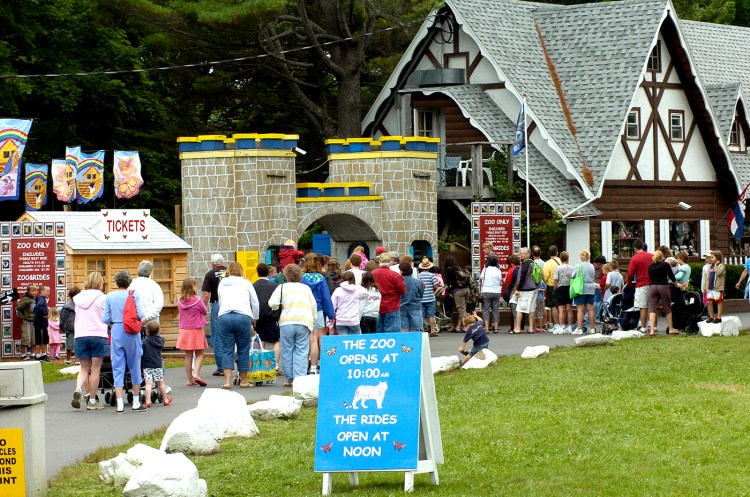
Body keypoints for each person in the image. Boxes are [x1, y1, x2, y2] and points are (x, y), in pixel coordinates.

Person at [103, 270, 146, 413]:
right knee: (135, 365)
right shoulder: (134, 295)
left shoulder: (109, 296)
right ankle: (135, 401)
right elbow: (140, 314)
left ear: (116, 282)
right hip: (132, 331)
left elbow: (105, 319)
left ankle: (120, 403)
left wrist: (113, 324)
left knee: (118, 366)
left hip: (116, 330)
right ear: (129, 282)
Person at [268, 264, 317, 387]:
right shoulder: (306, 288)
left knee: (287, 350)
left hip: (286, 321)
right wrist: (313, 321)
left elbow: (272, 303)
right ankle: (299, 379)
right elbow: (313, 306)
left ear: (286, 275)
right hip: (303, 321)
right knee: (301, 350)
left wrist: (278, 307)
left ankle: (290, 378)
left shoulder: (282, 288)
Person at [217, 261, 259, 389]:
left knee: (226, 350)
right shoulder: (245, 283)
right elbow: (255, 302)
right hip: (243, 316)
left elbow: (220, 301)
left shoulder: (222, 283)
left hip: (224, 316)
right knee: (243, 349)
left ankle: (227, 382)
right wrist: (255, 317)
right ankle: (244, 381)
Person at [72, 272, 109, 410]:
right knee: (95, 369)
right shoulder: (103, 298)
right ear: (100, 283)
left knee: (84, 368)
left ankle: (78, 389)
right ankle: (92, 401)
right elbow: (107, 317)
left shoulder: (78, 298)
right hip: (98, 334)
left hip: (80, 334)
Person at [301, 255, 334, 374]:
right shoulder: (320, 278)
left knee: (308, 340)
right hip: (318, 310)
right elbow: (326, 297)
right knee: (319, 339)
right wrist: (331, 314)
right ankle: (319, 366)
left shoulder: (301, 278)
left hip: (304, 310)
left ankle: (308, 366)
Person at [177, 276, 209, 387]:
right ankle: (196, 373)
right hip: (196, 330)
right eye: (195, 285)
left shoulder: (180, 300)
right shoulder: (197, 300)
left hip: (184, 330)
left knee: (188, 355)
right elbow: (204, 311)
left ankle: (189, 380)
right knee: (200, 353)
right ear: (192, 286)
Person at [202, 253, 227, 376]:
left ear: (212, 263)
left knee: (217, 336)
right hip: (231, 304)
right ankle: (236, 364)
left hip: (217, 305)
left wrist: (203, 310)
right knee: (231, 335)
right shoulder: (230, 272)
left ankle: (221, 367)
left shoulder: (210, 274)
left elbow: (206, 295)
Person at [253, 263, 281, 370]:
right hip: (272, 316)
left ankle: (260, 364)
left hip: (258, 316)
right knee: (276, 341)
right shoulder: (275, 286)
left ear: (257, 272)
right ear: (268, 273)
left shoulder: (253, 286)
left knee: (261, 340)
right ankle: (275, 365)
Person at [372, 253, 406, 333]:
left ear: (379, 262)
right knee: (392, 333)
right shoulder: (395, 275)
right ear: (390, 262)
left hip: (376, 305)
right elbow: (402, 291)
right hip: (392, 305)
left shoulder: (372, 274)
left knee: (379, 332)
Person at [142, 320, 173, 407]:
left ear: (147, 331)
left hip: (147, 365)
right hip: (157, 365)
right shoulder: (161, 341)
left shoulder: (145, 342)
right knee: (160, 383)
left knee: (148, 383)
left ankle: (148, 401)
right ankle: (165, 399)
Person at [648, 250, 678, 335]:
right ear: (662, 257)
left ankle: (652, 330)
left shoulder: (650, 266)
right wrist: (676, 285)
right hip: (663, 286)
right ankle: (671, 328)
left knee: (652, 309)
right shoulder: (665, 265)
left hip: (652, 286)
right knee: (667, 307)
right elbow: (671, 276)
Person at [627, 239, 652, 331]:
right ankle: (653, 326)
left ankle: (644, 327)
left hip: (642, 283)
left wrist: (629, 283)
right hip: (653, 283)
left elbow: (630, 273)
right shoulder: (651, 256)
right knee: (652, 306)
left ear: (635, 248)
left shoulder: (635, 258)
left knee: (643, 306)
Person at [129, 260, 164, 327]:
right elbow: (158, 305)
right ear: (150, 272)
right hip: (152, 323)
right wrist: (147, 317)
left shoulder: (131, 284)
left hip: (134, 321)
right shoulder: (155, 285)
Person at [512, 247, 538, 334]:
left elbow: (523, 276)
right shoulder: (532, 262)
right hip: (533, 288)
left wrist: (518, 289)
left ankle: (518, 328)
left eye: (523, 253)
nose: (521, 255)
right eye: (520, 253)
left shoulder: (526, 263)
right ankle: (531, 328)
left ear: (528, 254)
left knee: (520, 308)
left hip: (525, 289)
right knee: (531, 309)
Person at [442, 254, 470, 332]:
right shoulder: (458, 268)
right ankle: (458, 326)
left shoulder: (448, 270)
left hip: (458, 291)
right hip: (467, 289)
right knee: (463, 309)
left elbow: (448, 282)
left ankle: (467, 327)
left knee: (461, 309)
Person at [573, 250, 596, 335]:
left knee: (580, 309)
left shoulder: (578, 266)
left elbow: (573, 275)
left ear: (581, 257)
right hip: (591, 288)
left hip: (581, 288)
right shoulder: (592, 266)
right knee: (590, 308)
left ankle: (579, 328)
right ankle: (592, 328)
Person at [479, 254, 503, 334]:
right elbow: (500, 279)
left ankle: (486, 328)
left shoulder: (485, 269)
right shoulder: (498, 270)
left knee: (486, 309)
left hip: (486, 290)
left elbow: (481, 277)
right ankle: (496, 328)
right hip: (496, 291)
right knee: (495, 310)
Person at [553, 251, 575, 334]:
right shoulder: (572, 268)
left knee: (561, 309)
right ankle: (569, 326)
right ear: (568, 258)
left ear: (560, 258)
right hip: (569, 288)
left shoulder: (558, 268)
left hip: (560, 288)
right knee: (569, 308)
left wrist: (555, 289)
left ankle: (561, 326)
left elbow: (555, 280)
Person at [399, 261, 424, 332]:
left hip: (402, 307)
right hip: (415, 307)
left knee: (403, 330)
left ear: (401, 271)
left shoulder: (399, 281)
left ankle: (404, 343)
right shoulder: (417, 281)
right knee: (415, 330)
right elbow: (421, 294)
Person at [417, 258, 438, 336]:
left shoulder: (418, 276)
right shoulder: (431, 275)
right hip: (430, 298)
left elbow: (418, 285)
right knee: (431, 315)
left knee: (421, 315)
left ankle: (422, 330)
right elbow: (435, 285)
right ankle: (432, 331)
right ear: (429, 267)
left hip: (421, 298)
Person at [15, 284, 37, 360]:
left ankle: (33, 353)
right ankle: (23, 354)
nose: (34, 292)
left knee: (34, 338)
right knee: (26, 337)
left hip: (33, 321)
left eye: (36, 290)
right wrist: (22, 318)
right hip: (26, 321)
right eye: (32, 291)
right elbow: (17, 308)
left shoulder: (34, 299)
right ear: (28, 291)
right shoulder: (25, 299)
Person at [703, 250, 726, 323]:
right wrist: (705, 287)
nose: (711, 259)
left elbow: (719, 273)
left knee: (719, 301)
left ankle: (718, 317)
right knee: (709, 301)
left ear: (717, 257)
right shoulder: (710, 266)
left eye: (712, 257)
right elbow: (707, 277)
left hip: (717, 287)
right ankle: (711, 316)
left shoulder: (722, 266)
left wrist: (716, 266)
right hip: (710, 287)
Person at [543, 245, 561, 331]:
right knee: (562, 306)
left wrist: (547, 282)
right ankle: (563, 325)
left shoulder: (547, 263)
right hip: (562, 285)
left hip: (551, 286)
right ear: (557, 252)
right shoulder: (561, 261)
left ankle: (556, 324)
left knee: (553, 306)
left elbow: (545, 277)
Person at [60, 286, 80, 365]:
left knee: (69, 343)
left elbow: (62, 318)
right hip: (79, 327)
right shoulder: (81, 305)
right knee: (78, 344)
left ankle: (68, 359)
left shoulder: (66, 306)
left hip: (70, 327)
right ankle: (78, 359)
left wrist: (61, 327)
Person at [33, 285, 51, 362]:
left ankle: (40, 355)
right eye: (47, 291)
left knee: (40, 339)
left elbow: (35, 309)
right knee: (42, 339)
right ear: (42, 291)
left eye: (49, 291)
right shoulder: (41, 300)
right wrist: (45, 314)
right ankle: (41, 355)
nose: (49, 293)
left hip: (39, 323)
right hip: (41, 324)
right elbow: (39, 307)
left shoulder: (39, 299)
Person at [502, 254, 520, 332]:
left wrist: (504, 280)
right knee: (520, 310)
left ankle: (514, 327)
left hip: (513, 291)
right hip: (522, 291)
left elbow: (508, 282)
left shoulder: (511, 270)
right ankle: (521, 327)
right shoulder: (521, 269)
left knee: (513, 310)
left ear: (511, 263)